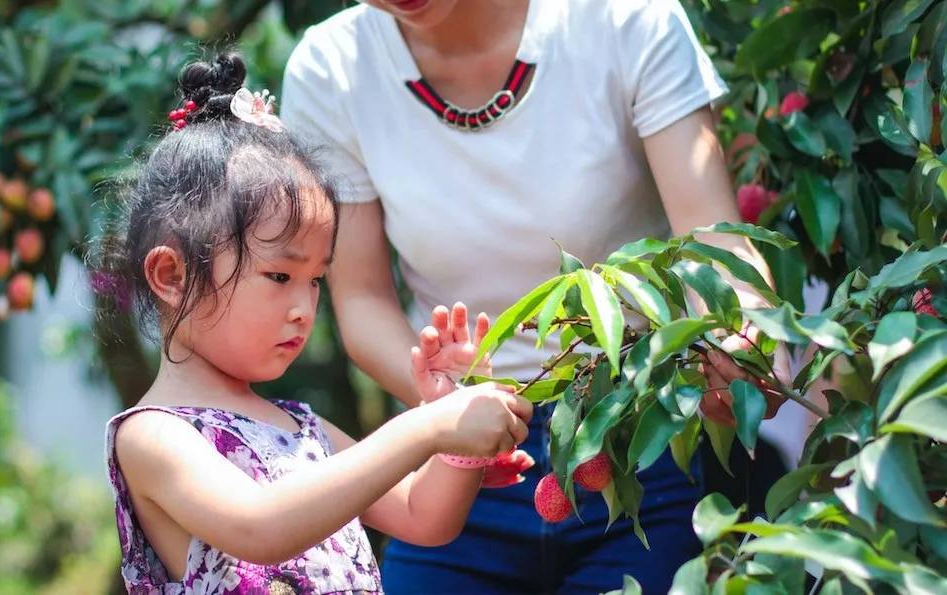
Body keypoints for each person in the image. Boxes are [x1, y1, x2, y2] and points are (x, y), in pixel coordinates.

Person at [280, 0, 791, 592]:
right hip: (460, 464)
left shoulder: (625, 18)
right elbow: (362, 300)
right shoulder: (331, 69)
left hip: (638, 433)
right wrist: (459, 411)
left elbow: (711, 235)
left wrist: (746, 333)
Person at [99, 52, 533, 594]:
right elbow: (261, 526)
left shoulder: (302, 428)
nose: (305, 307)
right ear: (172, 274)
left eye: (316, 280)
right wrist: (424, 426)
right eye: (280, 276)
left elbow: (426, 518)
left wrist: (452, 416)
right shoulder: (154, 435)